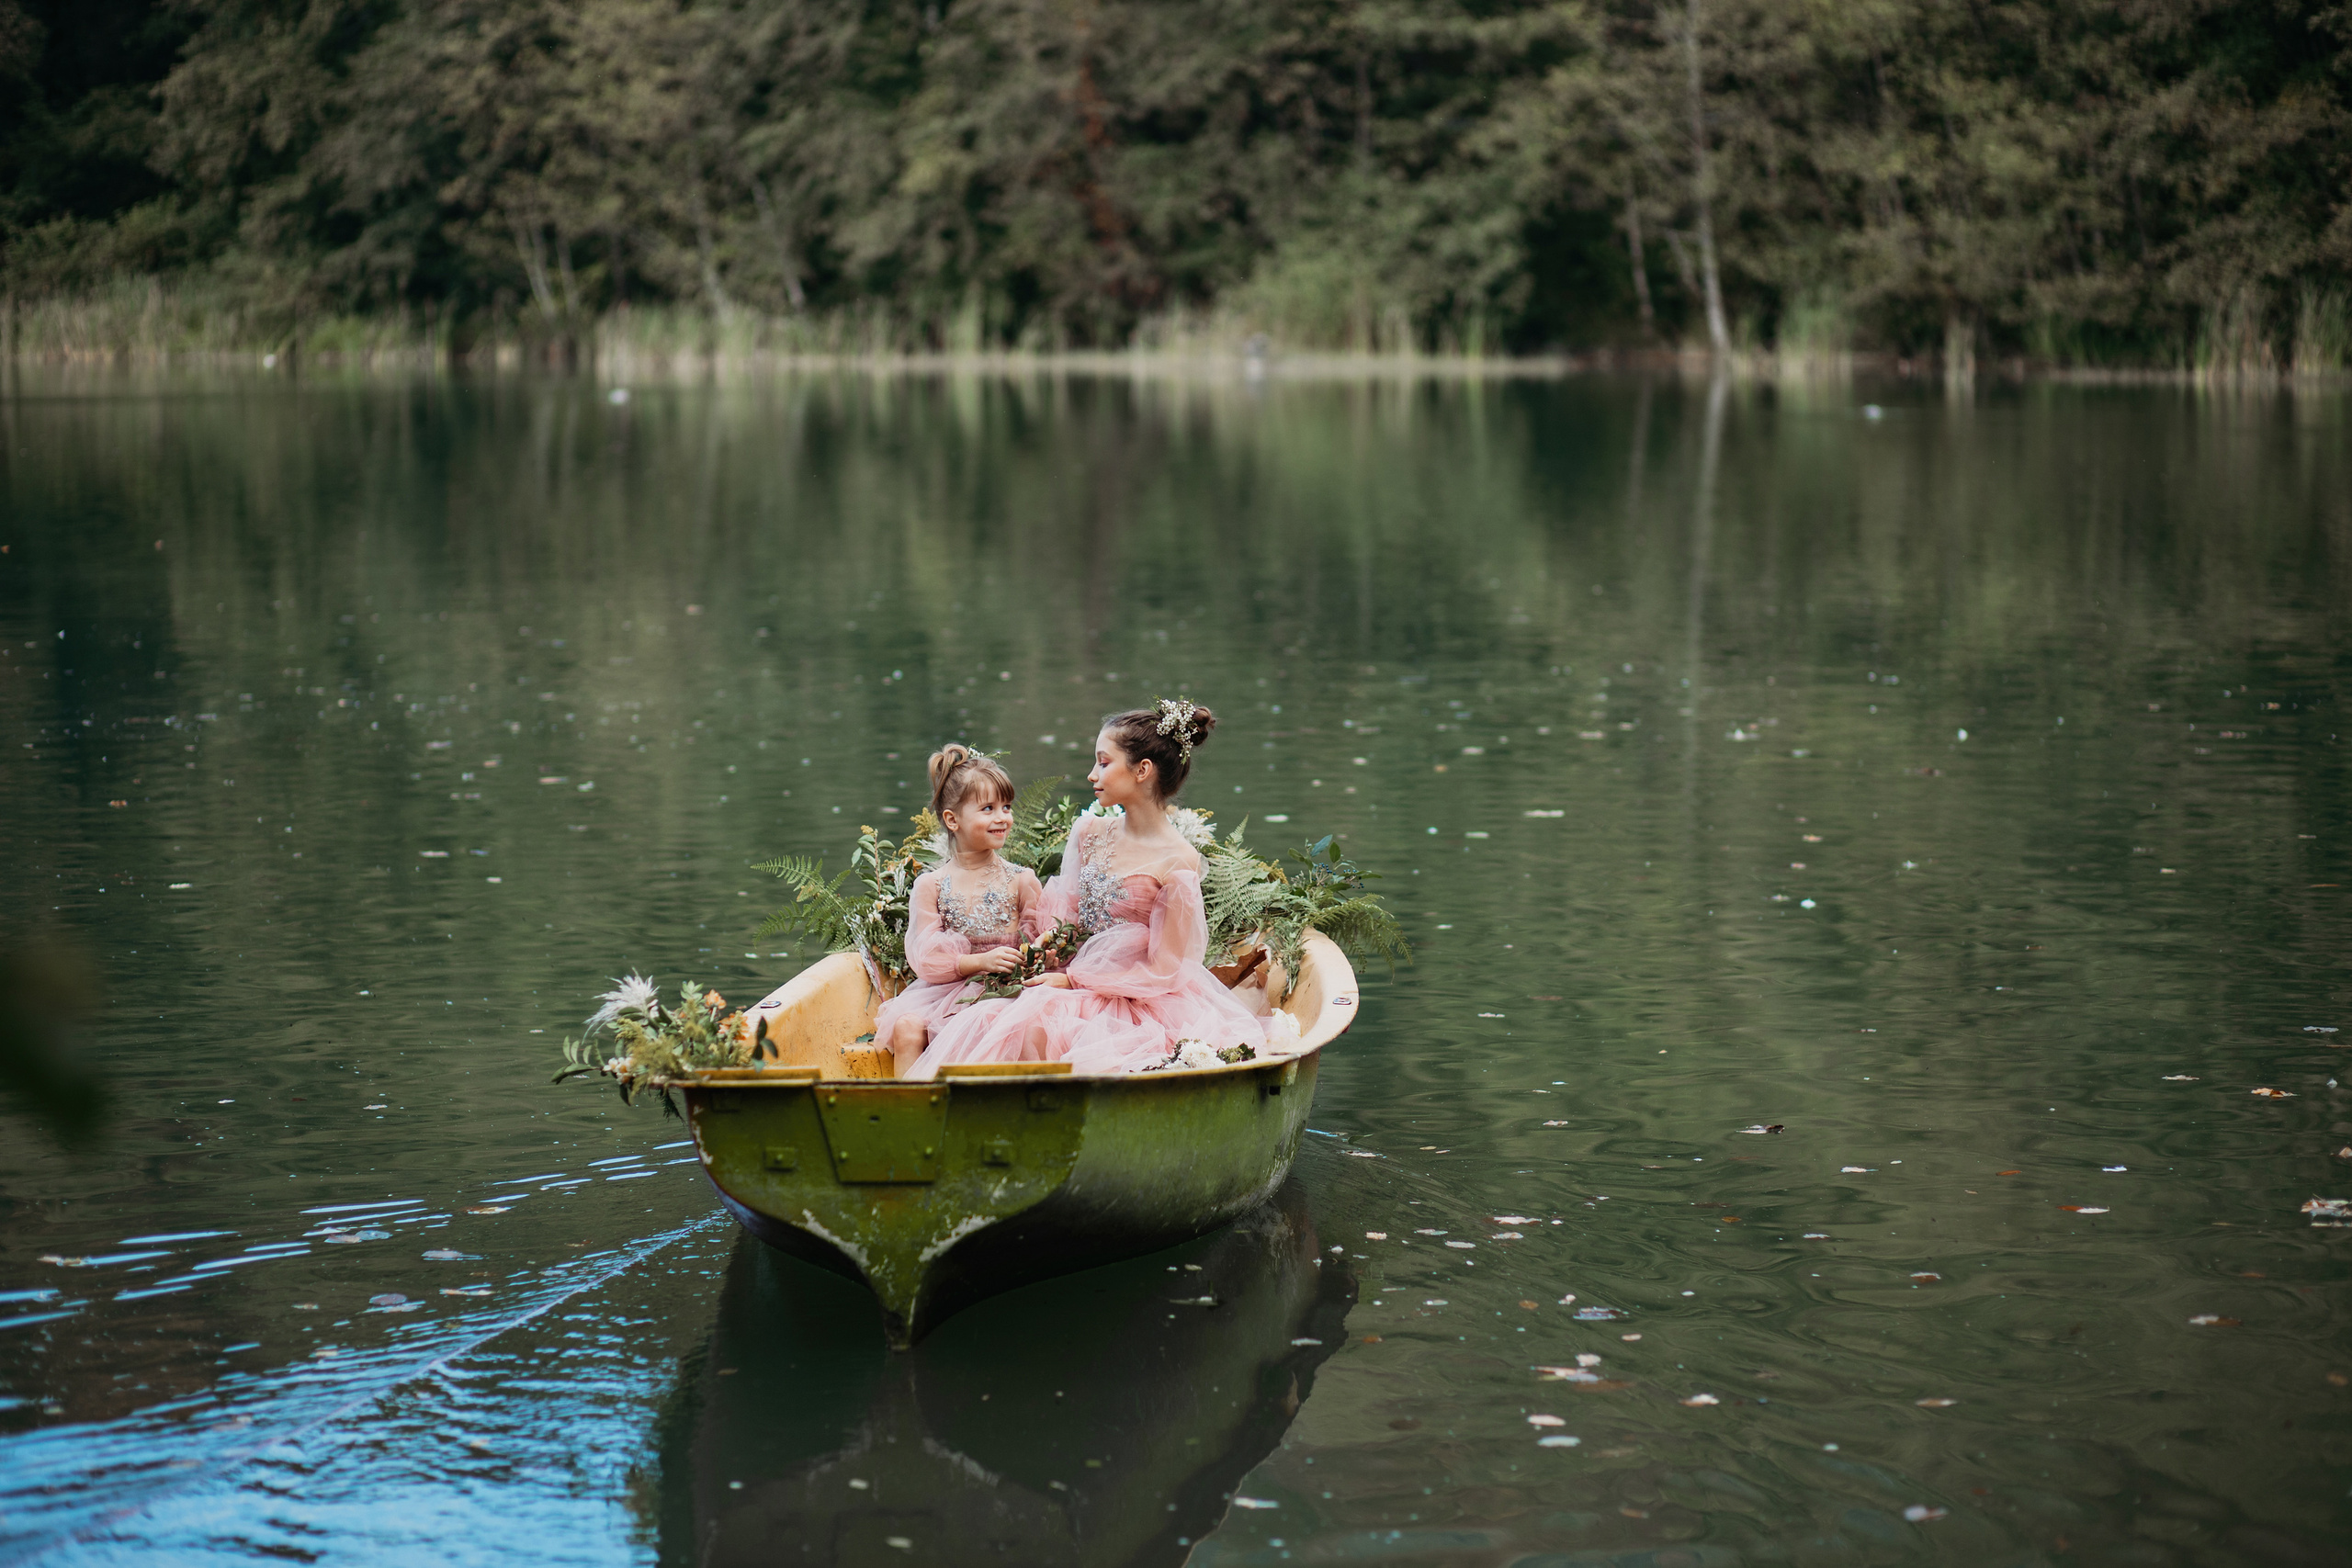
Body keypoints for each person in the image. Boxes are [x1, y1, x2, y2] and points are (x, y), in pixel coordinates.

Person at [907, 699, 1267, 1078]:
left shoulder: (1178, 861)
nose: (1092, 774)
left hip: (1134, 998)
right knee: (996, 1016)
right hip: (1069, 977)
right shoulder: (1090, 832)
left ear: (1142, 770)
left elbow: (1166, 969)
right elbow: (1065, 916)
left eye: (1104, 763)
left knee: (1036, 1027)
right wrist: (1048, 945)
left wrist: (1073, 981)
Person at [873, 745, 1043, 1076]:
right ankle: (908, 1104)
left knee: (992, 1021)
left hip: (1010, 992)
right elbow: (926, 957)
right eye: (988, 808)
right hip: (949, 992)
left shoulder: (1021, 880)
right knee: (906, 1026)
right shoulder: (932, 885)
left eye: (1006, 807)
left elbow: (1040, 942)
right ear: (953, 820)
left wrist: (1029, 957)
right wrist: (978, 962)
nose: (1002, 817)